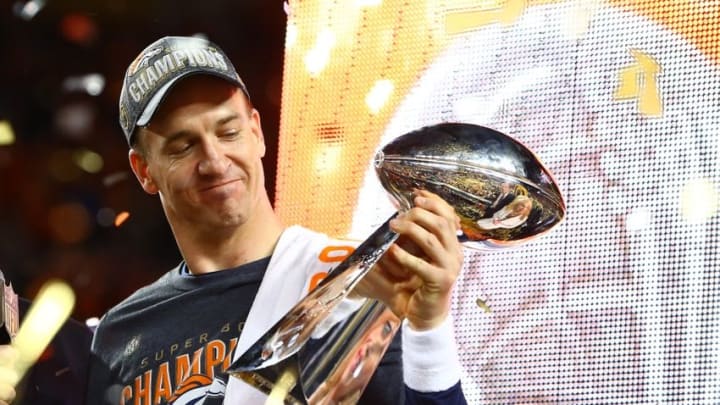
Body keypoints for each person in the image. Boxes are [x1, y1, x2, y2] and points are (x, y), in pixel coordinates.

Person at [85, 36, 467, 404]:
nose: (215, 162)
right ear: (144, 170)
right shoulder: (119, 335)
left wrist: (429, 327)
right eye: (183, 146)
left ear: (257, 132)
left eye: (229, 132)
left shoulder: (360, 282)